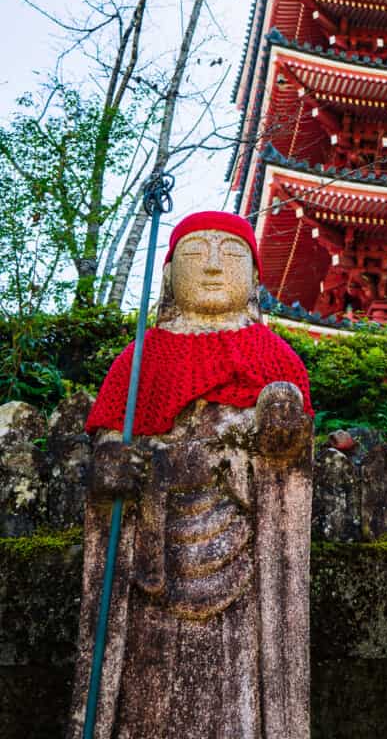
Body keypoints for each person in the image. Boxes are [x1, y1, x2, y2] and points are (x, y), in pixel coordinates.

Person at [67, 211, 313, 739]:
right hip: (152, 558)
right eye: (197, 254)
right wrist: (112, 468)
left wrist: (275, 444)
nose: (213, 267)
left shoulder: (277, 359)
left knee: (238, 693)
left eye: (231, 255)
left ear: (254, 277)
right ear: (169, 273)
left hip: (242, 558)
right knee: (145, 692)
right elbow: (109, 446)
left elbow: (290, 466)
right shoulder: (138, 361)